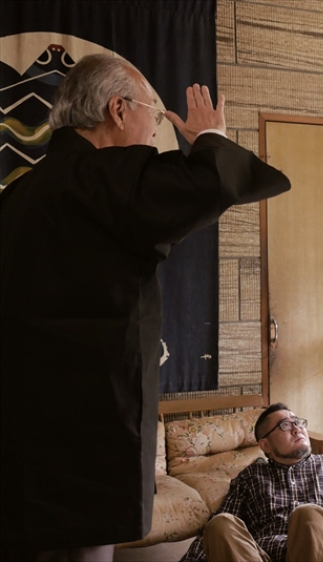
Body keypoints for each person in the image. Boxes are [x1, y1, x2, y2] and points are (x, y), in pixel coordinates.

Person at [0, 54, 291, 561]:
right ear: (117, 110)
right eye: (153, 114)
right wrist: (209, 137)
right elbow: (213, 183)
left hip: (21, 419)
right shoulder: (110, 178)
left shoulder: (20, 192)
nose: (156, 128)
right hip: (90, 423)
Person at [180, 403, 323, 562]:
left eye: (298, 422)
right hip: (266, 556)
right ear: (265, 445)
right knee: (220, 524)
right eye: (285, 425)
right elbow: (217, 536)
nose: (297, 429)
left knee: (310, 514)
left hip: (316, 556)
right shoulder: (251, 476)